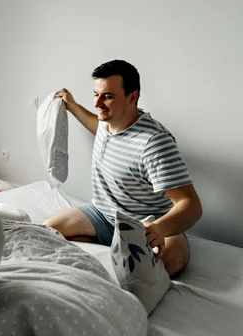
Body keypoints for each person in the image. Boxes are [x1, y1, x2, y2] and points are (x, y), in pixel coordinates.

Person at [43, 60, 202, 277]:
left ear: (132, 97)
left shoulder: (154, 142)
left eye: (107, 96)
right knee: (47, 231)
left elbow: (191, 205)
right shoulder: (106, 123)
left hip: (146, 224)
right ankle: (113, 248)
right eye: (95, 94)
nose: (98, 103)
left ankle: (124, 251)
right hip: (103, 214)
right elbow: (95, 125)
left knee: (171, 262)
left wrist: (159, 229)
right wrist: (72, 105)